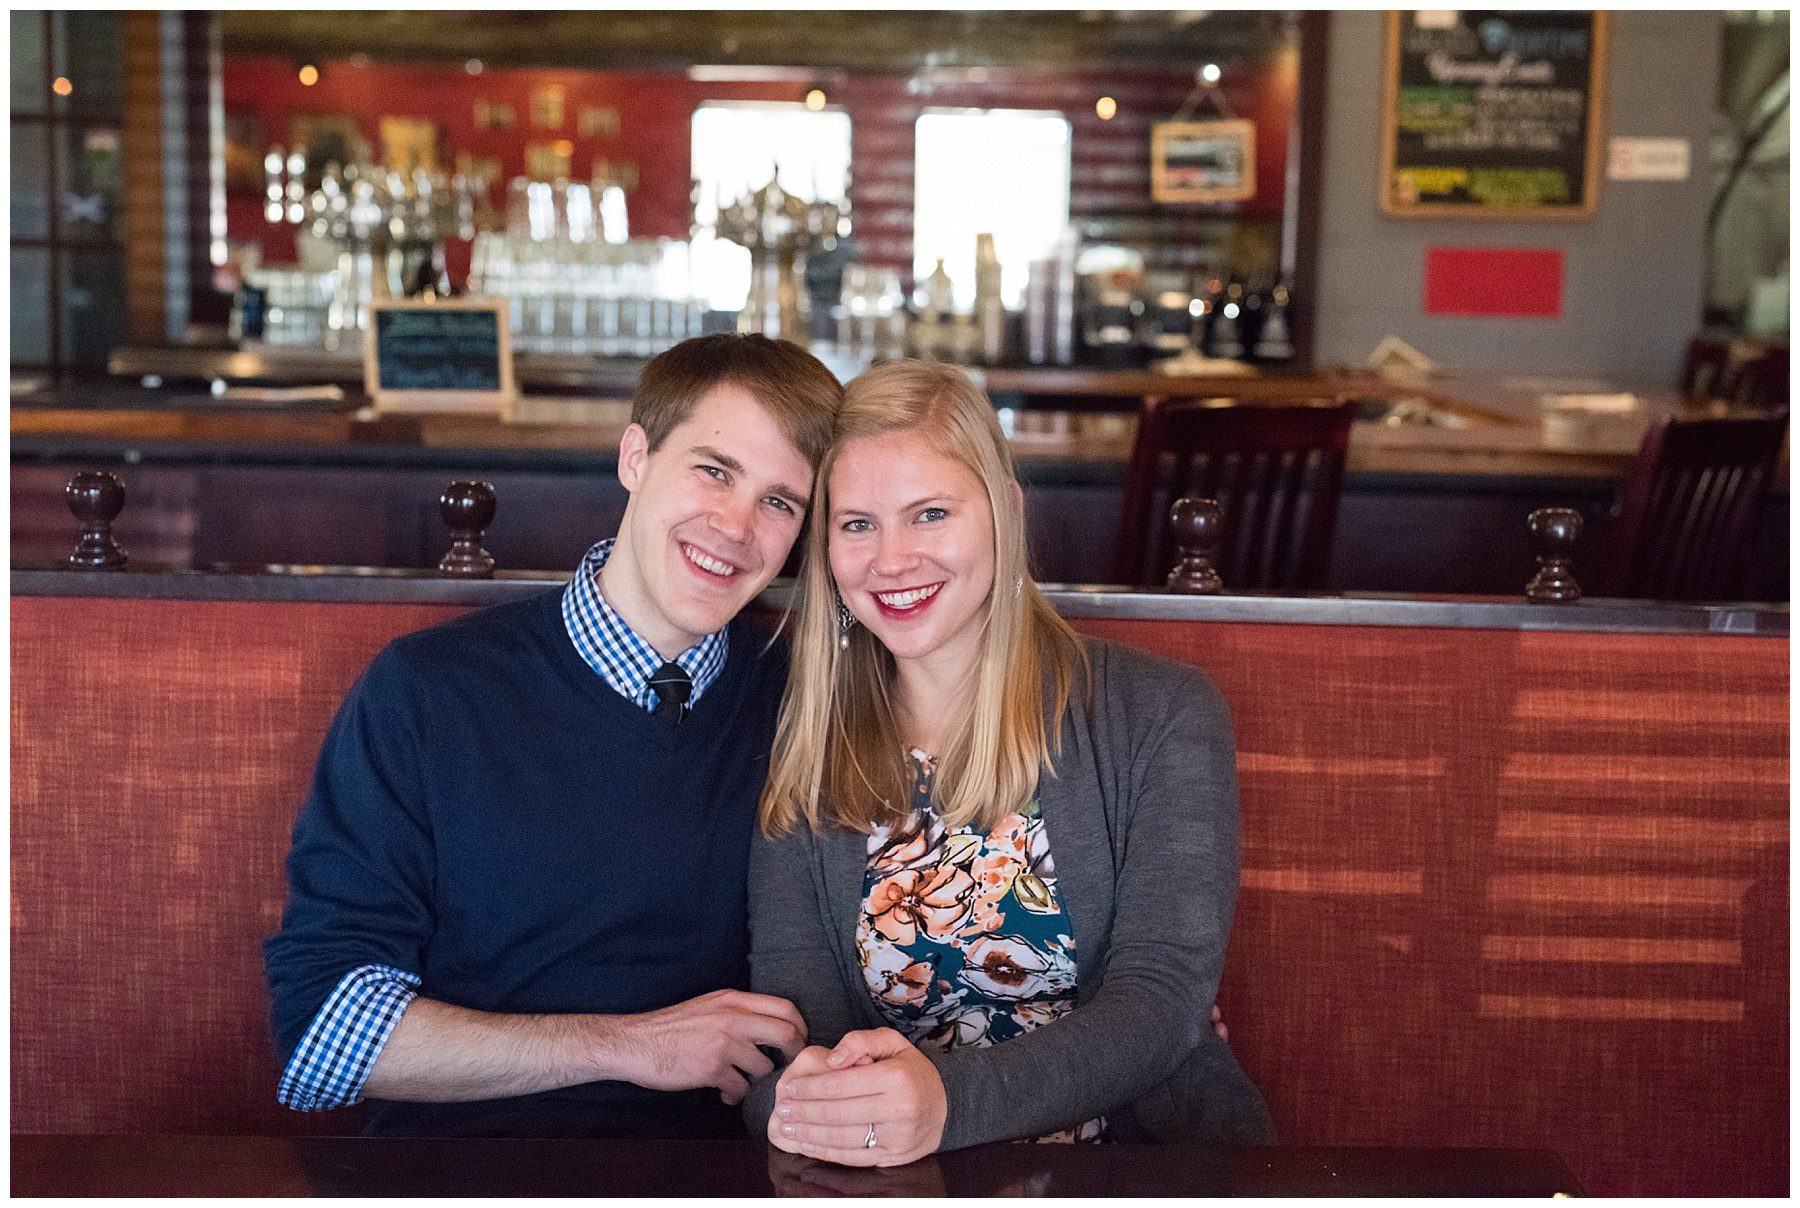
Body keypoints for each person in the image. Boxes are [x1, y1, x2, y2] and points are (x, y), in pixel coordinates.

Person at [263, 333, 842, 1138]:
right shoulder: (429, 692)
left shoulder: (804, 702)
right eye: (713, 470)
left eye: (780, 502)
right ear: (636, 457)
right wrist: (626, 1046)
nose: (736, 526)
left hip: (717, 1175)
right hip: (461, 1174)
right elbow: (322, 1035)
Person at [744, 359, 1273, 1165]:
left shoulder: (1159, 714)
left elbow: (1161, 1004)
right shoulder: (809, 741)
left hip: (1129, 1170)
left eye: (929, 514)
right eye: (857, 524)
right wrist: (802, 1100)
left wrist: (946, 1106)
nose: (891, 560)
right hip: (895, 1180)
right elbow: (796, 1024)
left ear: (1005, 514)